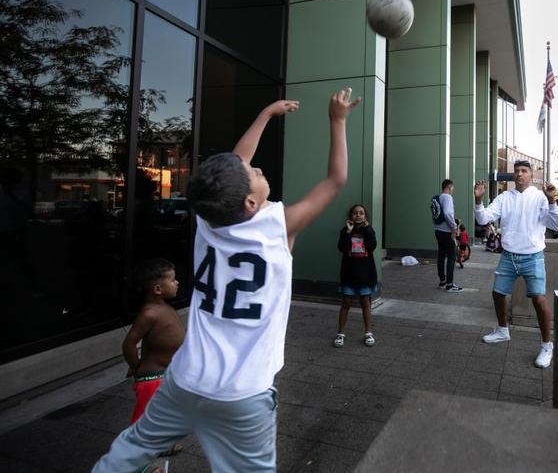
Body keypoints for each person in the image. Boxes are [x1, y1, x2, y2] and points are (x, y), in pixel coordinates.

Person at [93, 88, 360, 472]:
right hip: (243, 395)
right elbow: (336, 180)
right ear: (250, 203)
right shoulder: (277, 227)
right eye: (254, 173)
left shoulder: (208, 217)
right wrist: (337, 120)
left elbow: (236, 162)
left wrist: (266, 112)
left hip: (184, 380)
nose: (257, 169)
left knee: (128, 451)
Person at [473, 160, 558, 368]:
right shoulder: (505, 197)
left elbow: (556, 225)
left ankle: (547, 345)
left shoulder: (540, 197)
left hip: (533, 256)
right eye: (517, 171)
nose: (520, 174)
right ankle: (503, 331)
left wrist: (552, 201)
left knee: (539, 300)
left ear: (531, 176)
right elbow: (483, 218)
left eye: (524, 171)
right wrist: (478, 200)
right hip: (508, 255)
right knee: (497, 293)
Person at [121, 258, 185, 467]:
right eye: (173, 280)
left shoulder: (164, 307)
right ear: (158, 289)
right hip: (151, 378)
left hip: (164, 375)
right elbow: (129, 343)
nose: (177, 283)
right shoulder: (149, 313)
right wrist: (136, 366)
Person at [335, 203, 379, 347]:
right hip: (349, 273)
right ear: (350, 216)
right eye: (355, 213)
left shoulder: (369, 230)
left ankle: (368, 333)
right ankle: (340, 333)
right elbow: (342, 247)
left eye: (361, 213)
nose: (358, 215)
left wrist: (366, 229)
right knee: (346, 303)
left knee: (365, 303)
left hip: (365, 274)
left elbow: (372, 246)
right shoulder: (345, 231)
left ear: (365, 216)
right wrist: (348, 232)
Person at [433, 179, 461, 292]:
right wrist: (454, 227)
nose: (453, 190)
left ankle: (442, 281)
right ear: (449, 187)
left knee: (441, 255)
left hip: (438, 231)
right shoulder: (448, 197)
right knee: (451, 257)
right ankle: (450, 285)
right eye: (452, 188)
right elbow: (448, 213)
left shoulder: (438, 197)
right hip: (447, 232)